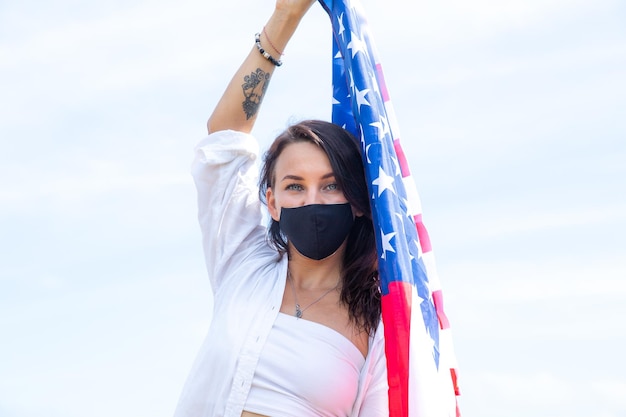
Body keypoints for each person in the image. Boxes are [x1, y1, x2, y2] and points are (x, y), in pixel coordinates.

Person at [173, 1, 388, 416]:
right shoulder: (243, 263)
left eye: (331, 186)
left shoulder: (378, 323)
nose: (312, 200)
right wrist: (285, 17)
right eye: (294, 186)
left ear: (358, 202)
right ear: (271, 202)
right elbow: (225, 137)